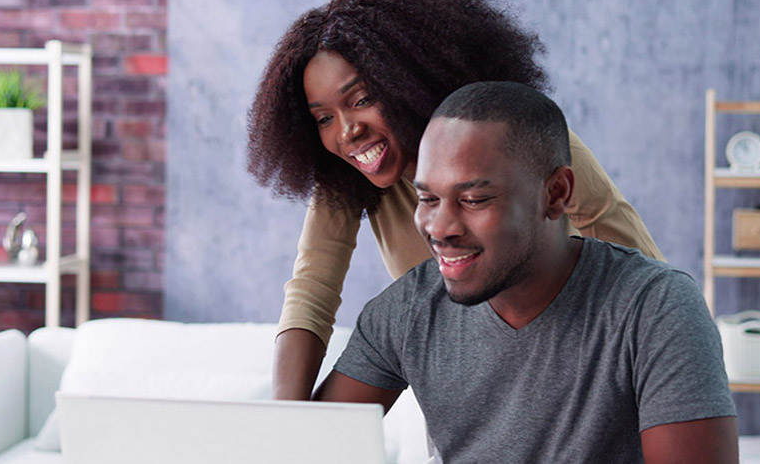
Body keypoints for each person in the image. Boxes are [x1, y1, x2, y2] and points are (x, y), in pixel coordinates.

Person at [247, 0, 667, 401]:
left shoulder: (515, 139)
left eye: (360, 99)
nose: (347, 131)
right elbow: (312, 289)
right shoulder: (350, 182)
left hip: (576, 367)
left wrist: (669, 358)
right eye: (324, 118)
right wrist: (288, 422)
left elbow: (626, 249)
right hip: (468, 396)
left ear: (406, 80)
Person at [314, 82, 737, 463]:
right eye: (428, 198)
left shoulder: (657, 309)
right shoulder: (406, 311)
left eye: (475, 199)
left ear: (556, 194)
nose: (440, 228)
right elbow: (308, 446)